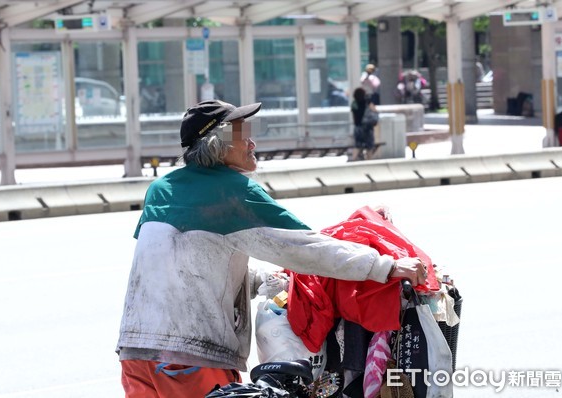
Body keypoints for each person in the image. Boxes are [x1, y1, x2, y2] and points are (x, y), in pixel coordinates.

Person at [116, 99, 426, 398]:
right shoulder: (232, 192)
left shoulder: (159, 190)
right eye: (241, 136)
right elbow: (306, 248)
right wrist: (384, 266)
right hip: (191, 358)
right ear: (216, 145)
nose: (251, 143)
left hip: (135, 353)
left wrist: (258, 280)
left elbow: (184, 264)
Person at [350, 87, 378, 161]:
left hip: (357, 128)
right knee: (369, 147)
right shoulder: (367, 102)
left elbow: (354, 117)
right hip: (367, 128)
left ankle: (353, 159)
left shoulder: (354, 103)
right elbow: (375, 111)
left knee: (357, 145)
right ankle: (369, 161)